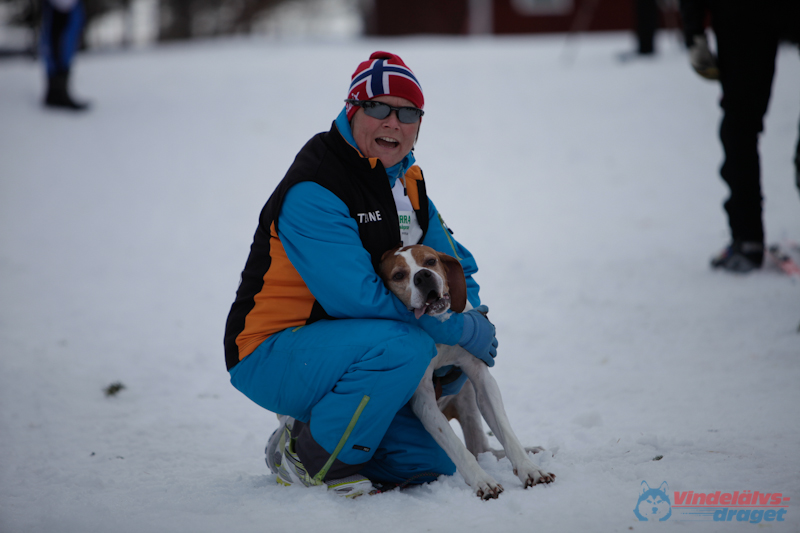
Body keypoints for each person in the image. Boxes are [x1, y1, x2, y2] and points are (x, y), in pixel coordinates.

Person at [224, 51, 498, 498]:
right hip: (272, 351)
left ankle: (336, 427)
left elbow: (453, 266)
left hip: (356, 351)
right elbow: (357, 298)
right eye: (377, 108)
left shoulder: (406, 180)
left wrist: (470, 314)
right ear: (353, 110)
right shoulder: (316, 185)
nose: (393, 122)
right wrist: (456, 328)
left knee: (437, 463)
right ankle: (308, 454)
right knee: (406, 345)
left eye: (407, 112)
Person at [680, 0, 800, 272]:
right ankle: (747, 239)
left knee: (740, 125)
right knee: (740, 125)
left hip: (741, 13)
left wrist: (693, 31)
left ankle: (747, 240)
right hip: (745, 13)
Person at [39, 0, 89, 110]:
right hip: (61, 6)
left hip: (68, 6)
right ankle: (56, 92)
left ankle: (59, 91)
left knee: (66, 41)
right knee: (60, 42)